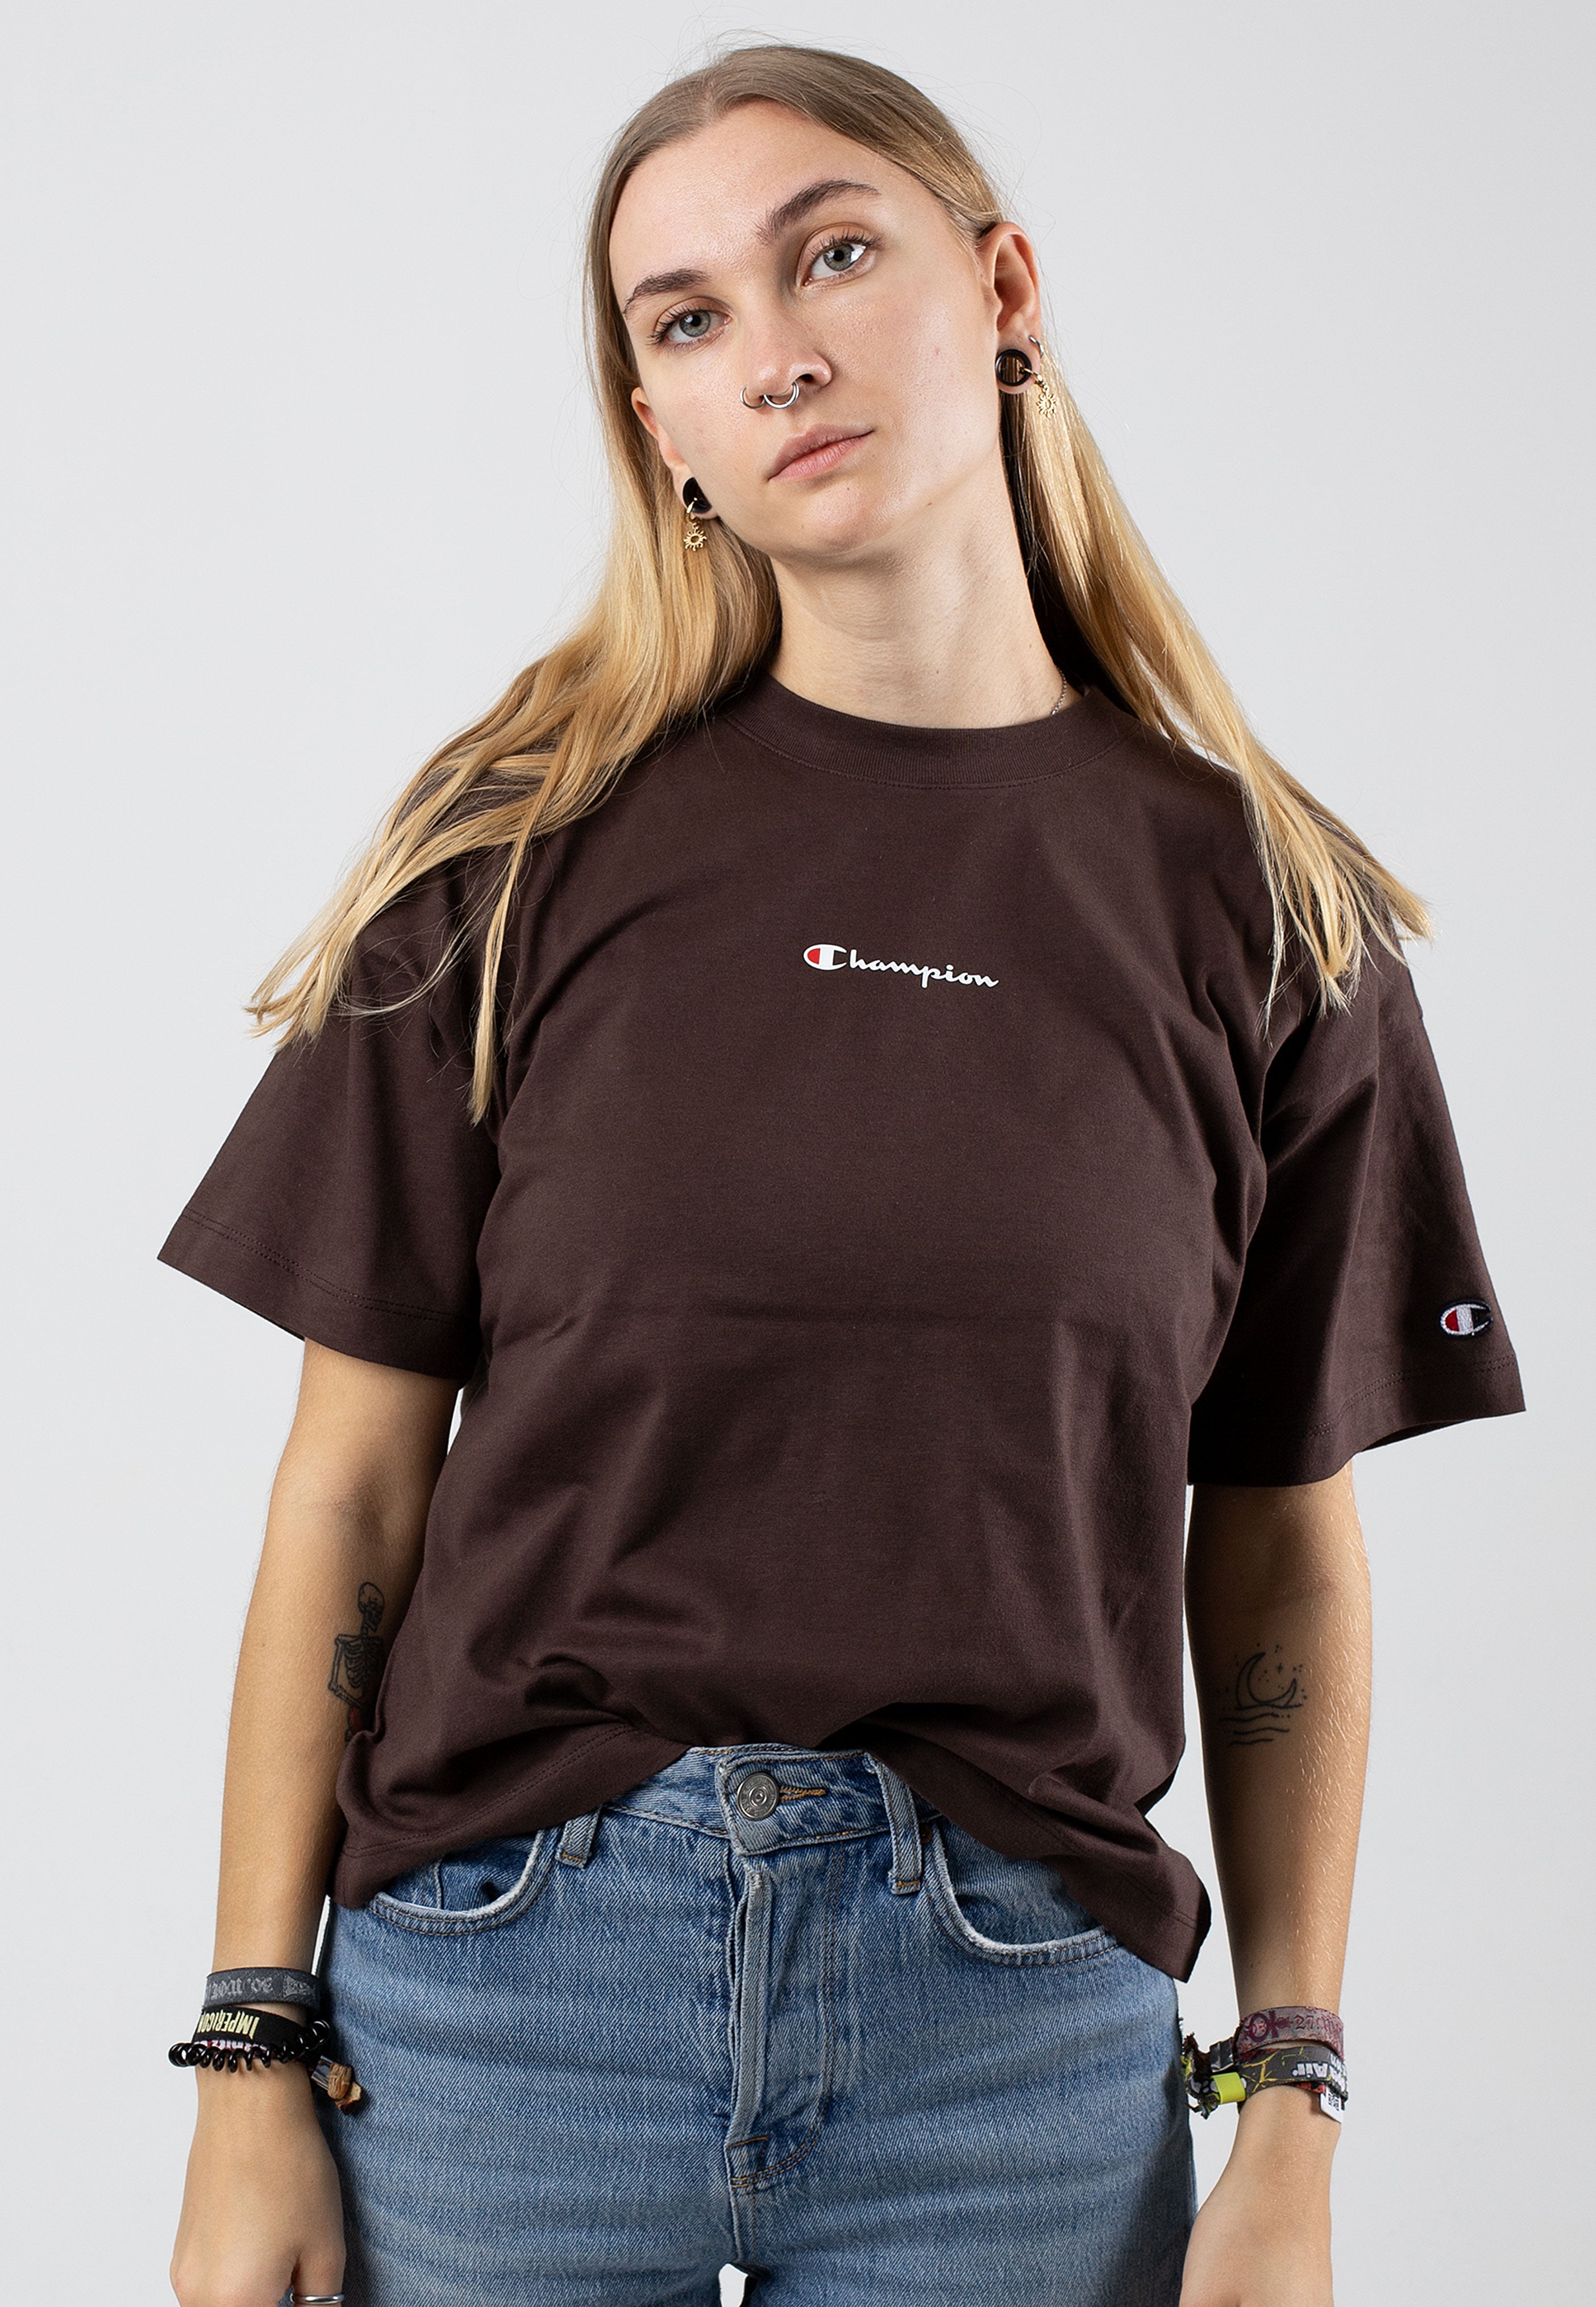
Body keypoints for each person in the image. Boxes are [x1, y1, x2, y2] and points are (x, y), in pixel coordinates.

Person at [163, 41, 1524, 2307]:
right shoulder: (508, 860)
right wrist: (244, 2047)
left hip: (1012, 2045)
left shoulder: (1266, 916)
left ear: (1002, 288)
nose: (775, 349)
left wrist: (1292, 2093)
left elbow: (1282, 1544)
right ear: (661, 429)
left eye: (835, 254)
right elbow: (349, 1493)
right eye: (689, 317)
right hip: (496, 2012)